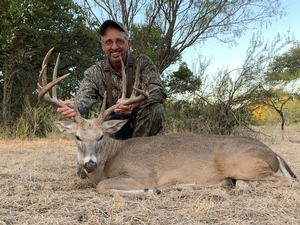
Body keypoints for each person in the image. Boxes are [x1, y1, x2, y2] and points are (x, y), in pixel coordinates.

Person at [57, 20, 167, 140]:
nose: (114, 47)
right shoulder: (94, 72)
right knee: (92, 140)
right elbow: (85, 97)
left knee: (155, 109)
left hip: (139, 125)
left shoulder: (142, 63)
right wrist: (75, 105)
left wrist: (136, 103)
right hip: (110, 126)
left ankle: (137, 154)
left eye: (119, 41)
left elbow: (158, 91)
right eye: (109, 42)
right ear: (103, 46)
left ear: (128, 44)